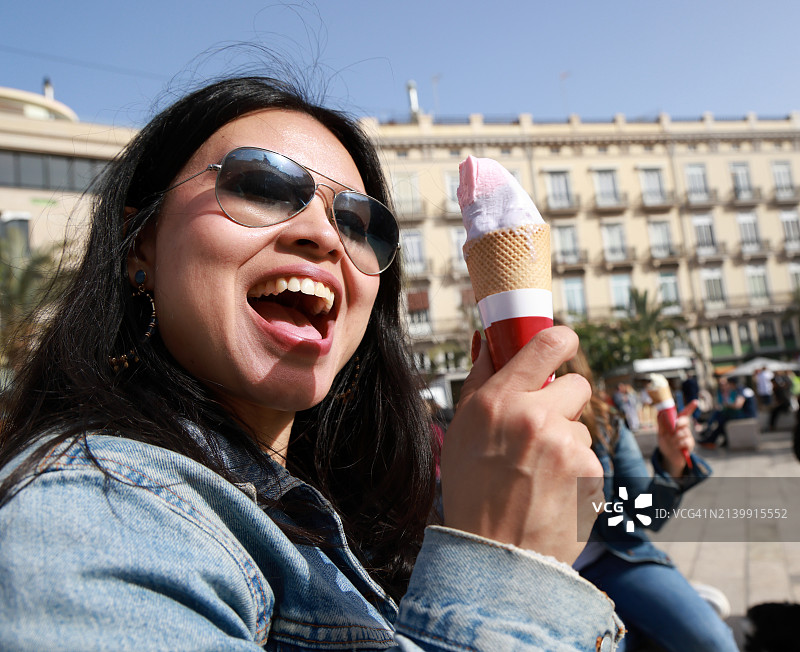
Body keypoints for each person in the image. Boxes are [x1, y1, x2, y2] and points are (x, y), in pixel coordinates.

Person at [0, 76, 621, 650]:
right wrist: (501, 571)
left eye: (360, 222)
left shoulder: (326, 519)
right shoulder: (89, 513)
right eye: (262, 186)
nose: (325, 236)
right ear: (141, 244)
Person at [560, 349, 739, 652]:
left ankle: (660, 601)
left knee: (714, 643)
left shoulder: (606, 426)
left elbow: (649, 515)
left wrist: (672, 462)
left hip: (618, 559)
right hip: (551, 580)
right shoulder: (484, 433)